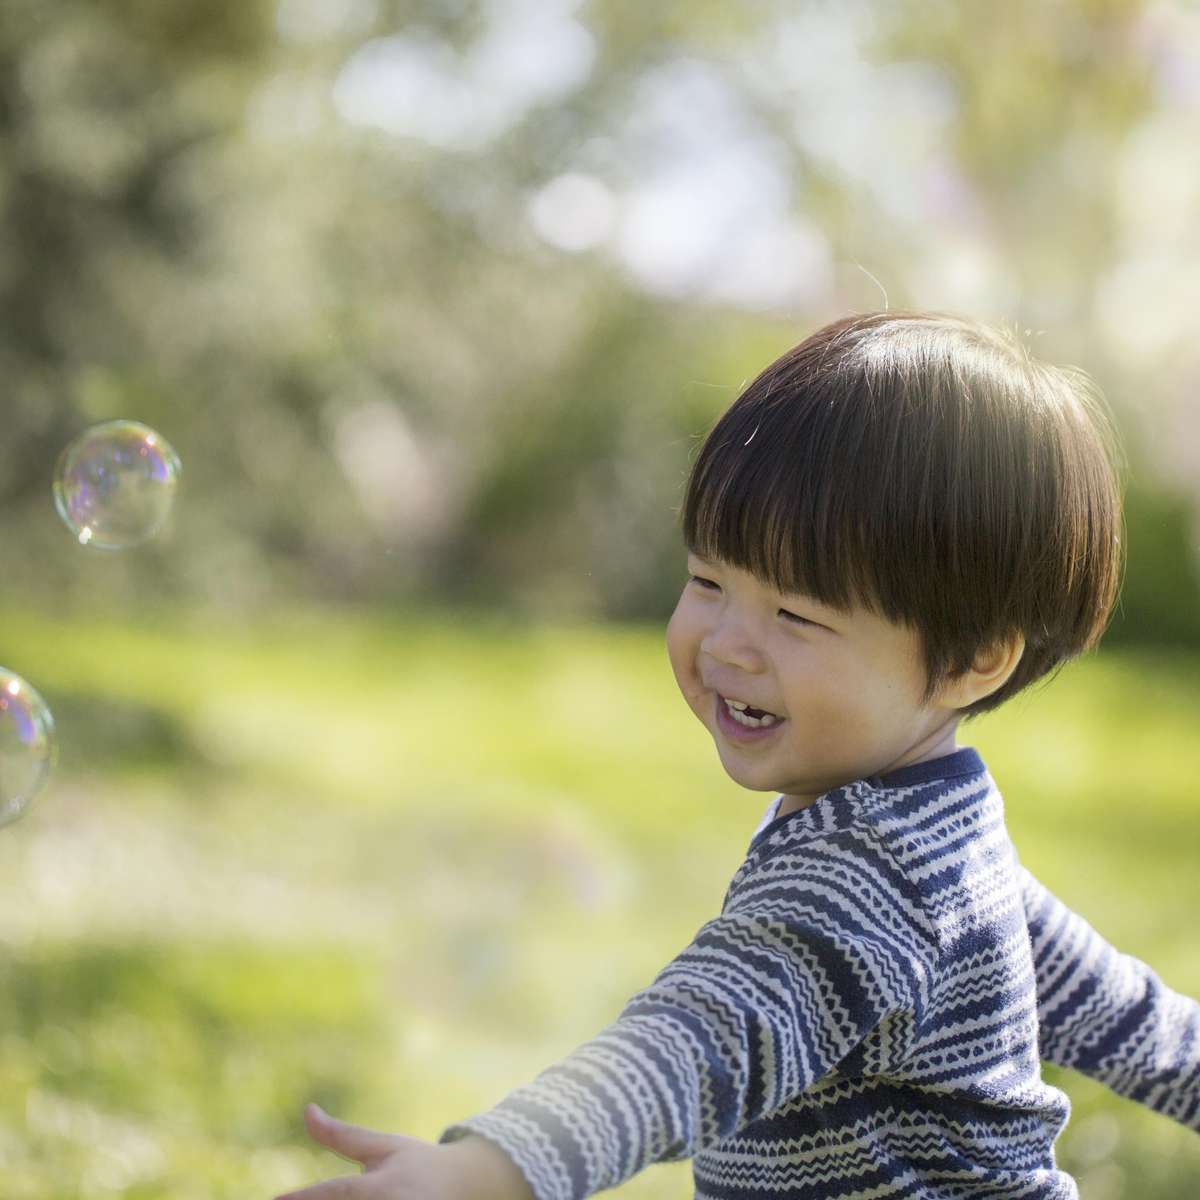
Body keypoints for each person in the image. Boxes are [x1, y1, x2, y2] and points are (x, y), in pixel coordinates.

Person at [272, 310, 1200, 1200]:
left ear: (970, 661)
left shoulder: (868, 883)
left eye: (797, 615)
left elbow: (703, 1037)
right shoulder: (939, 836)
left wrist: (501, 1168)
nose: (727, 645)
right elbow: (1124, 1016)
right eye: (708, 580)